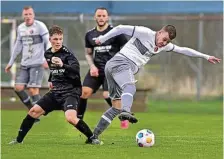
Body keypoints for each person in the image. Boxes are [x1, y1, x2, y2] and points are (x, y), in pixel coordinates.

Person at [92, 24, 221, 140]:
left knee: (116, 108)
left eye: (168, 41)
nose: (164, 43)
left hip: (113, 68)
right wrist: (102, 39)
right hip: (121, 63)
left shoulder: (163, 47)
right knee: (130, 88)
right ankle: (126, 111)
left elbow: (183, 50)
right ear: (160, 32)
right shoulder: (145, 33)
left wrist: (206, 56)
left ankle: (94, 136)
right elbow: (120, 28)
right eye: (164, 39)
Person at [9, 25, 102, 145]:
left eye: (60, 39)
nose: (58, 42)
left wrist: (63, 64)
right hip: (56, 91)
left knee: (71, 118)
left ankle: (92, 138)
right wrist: (50, 79)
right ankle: (18, 140)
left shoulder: (67, 54)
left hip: (71, 91)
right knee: (33, 111)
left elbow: (75, 70)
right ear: (50, 40)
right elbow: (53, 70)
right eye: (55, 39)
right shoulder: (48, 54)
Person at [77, 7, 129, 128]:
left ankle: (123, 114)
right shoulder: (90, 35)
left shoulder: (116, 32)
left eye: (103, 16)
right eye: (99, 16)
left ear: (107, 17)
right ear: (95, 17)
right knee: (83, 92)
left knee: (107, 95)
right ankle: (77, 120)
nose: (101, 18)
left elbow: (127, 50)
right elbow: (88, 53)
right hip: (97, 69)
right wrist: (92, 66)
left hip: (111, 70)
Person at [5, 6, 50, 119]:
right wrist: (11, 62)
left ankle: (37, 114)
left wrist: (46, 59)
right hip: (25, 64)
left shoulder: (40, 26)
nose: (28, 16)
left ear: (33, 15)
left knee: (33, 89)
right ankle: (33, 111)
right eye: (26, 14)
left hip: (37, 63)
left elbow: (48, 43)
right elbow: (17, 47)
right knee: (18, 88)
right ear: (23, 16)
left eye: (30, 14)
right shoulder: (21, 28)